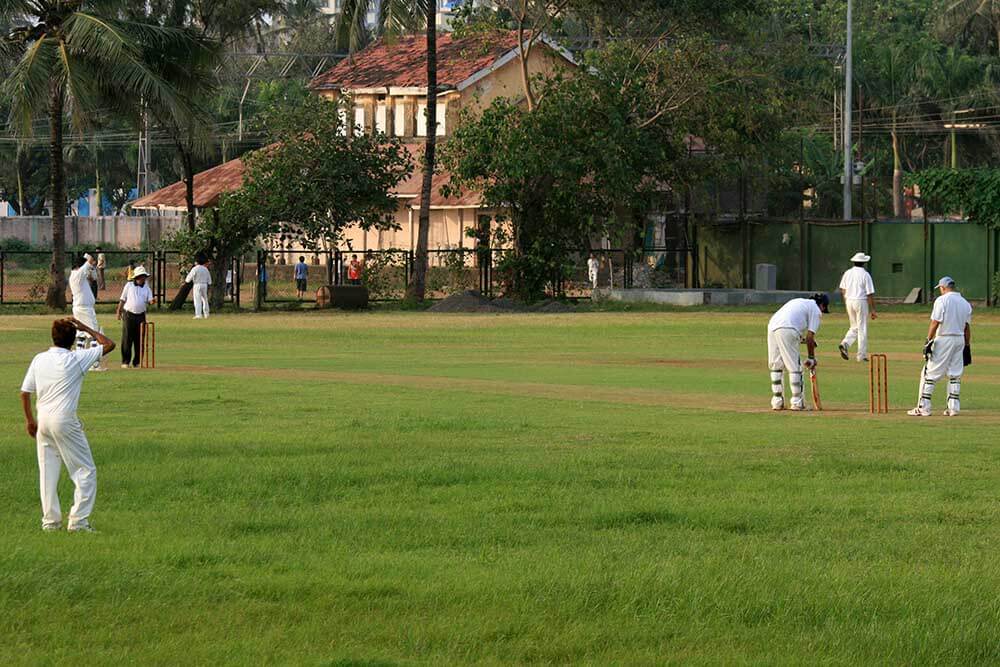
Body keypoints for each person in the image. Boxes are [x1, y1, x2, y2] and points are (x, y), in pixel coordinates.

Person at [20, 317, 116, 532]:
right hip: (64, 421)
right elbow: (109, 344)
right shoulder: (76, 359)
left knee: (47, 472)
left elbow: (25, 393)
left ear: (52, 337)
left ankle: (51, 522)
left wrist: (29, 421)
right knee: (85, 470)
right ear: (73, 340)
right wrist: (85, 328)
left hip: (42, 420)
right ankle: (79, 522)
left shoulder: (39, 359)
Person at [909, 276, 973, 417]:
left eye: (940, 289)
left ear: (943, 287)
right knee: (955, 374)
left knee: (930, 373)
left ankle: (923, 408)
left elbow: (935, 322)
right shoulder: (965, 303)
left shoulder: (942, 300)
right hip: (959, 340)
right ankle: (953, 409)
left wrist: (928, 340)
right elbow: (967, 328)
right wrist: (967, 345)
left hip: (944, 339)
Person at [767, 293, 829, 411]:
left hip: (772, 326)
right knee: (795, 367)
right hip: (787, 328)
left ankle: (777, 402)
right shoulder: (815, 310)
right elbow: (810, 336)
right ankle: (797, 402)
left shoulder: (800, 302)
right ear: (822, 305)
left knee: (776, 366)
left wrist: (804, 341)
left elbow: (791, 328)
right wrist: (811, 358)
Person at [837, 252, 877, 362]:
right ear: (864, 262)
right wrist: (873, 310)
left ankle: (845, 343)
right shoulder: (865, 275)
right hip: (861, 301)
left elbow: (843, 289)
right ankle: (861, 355)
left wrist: (846, 300)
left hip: (849, 300)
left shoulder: (847, 273)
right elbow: (869, 294)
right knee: (862, 328)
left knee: (854, 326)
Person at [69, 254, 106, 372]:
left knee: (81, 334)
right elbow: (90, 260)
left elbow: (91, 276)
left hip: (80, 307)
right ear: (80, 266)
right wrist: (88, 256)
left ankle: (79, 361)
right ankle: (94, 364)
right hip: (84, 309)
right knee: (94, 334)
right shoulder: (78, 274)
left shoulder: (76, 275)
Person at [116, 266, 155, 368]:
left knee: (140, 339)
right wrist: (118, 311)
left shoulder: (147, 287)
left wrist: (152, 301)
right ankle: (125, 361)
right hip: (128, 314)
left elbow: (150, 300)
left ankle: (137, 361)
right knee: (127, 338)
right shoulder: (129, 285)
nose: (142, 279)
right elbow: (122, 299)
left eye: (144, 277)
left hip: (141, 315)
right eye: (140, 277)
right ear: (136, 277)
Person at [185, 253, 212, 319]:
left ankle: (198, 314)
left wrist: (186, 281)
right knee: (205, 299)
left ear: (197, 262)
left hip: (197, 285)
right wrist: (208, 283)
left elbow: (188, 278)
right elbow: (209, 280)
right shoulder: (205, 269)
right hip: (204, 285)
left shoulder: (195, 268)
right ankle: (206, 314)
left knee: (197, 300)